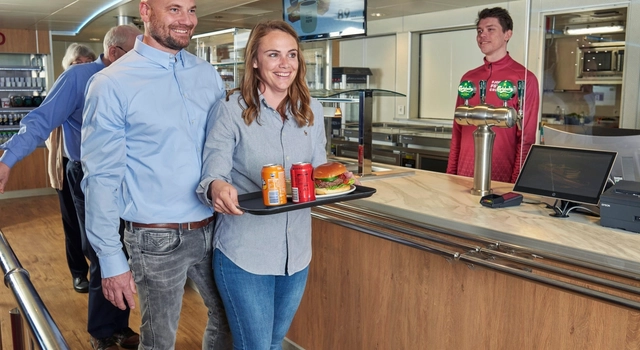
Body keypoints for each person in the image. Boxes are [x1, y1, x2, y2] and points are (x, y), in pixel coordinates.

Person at [80, 0, 232, 348]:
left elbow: (222, 148)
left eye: (191, 10)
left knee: (228, 319)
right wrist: (110, 259)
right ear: (145, 11)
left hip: (215, 229)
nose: (186, 21)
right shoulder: (111, 83)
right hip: (156, 240)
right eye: (174, 9)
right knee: (159, 341)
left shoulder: (206, 75)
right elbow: (100, 179)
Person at [0, 25, 142, 350]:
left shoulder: (139, 79)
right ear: (115, 52)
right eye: (138, 51)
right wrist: (8, 158)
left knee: (125, 252)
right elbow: (41, 119)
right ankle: (102, 332)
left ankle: (119, 325)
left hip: (131, 177)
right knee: (101, 249)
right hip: (90, 175)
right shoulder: (79, 78)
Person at [196, 20, 327, 349]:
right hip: (245, 255)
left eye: (292, 55)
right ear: (255, 60)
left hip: (296, 255)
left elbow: (319, 168)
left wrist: (337, 181)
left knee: (273, 343)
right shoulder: (231, 110)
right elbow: (213, 173)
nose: (285, 64)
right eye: (274, 55)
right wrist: (216, 188)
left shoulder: (312, 111)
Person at [446, 7, 539, 183]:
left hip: (500, 178)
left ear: (507, 34)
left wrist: (515, 183)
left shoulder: (524, 78)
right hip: (463, 175)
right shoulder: (469, 78)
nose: (482, 35)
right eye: (480, 31)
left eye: (490, 29)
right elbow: (457, 130)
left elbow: (526, 138)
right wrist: (450, 174)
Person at [45, 43, 97, 294]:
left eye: (88, 61)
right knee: (72, 224)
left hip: (92, 166)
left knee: (93, 223)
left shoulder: (98, 87)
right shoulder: (62, 88)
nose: (83, 66)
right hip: (65, 164)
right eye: (78, 63)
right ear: (68, 66)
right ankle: (78, 273)